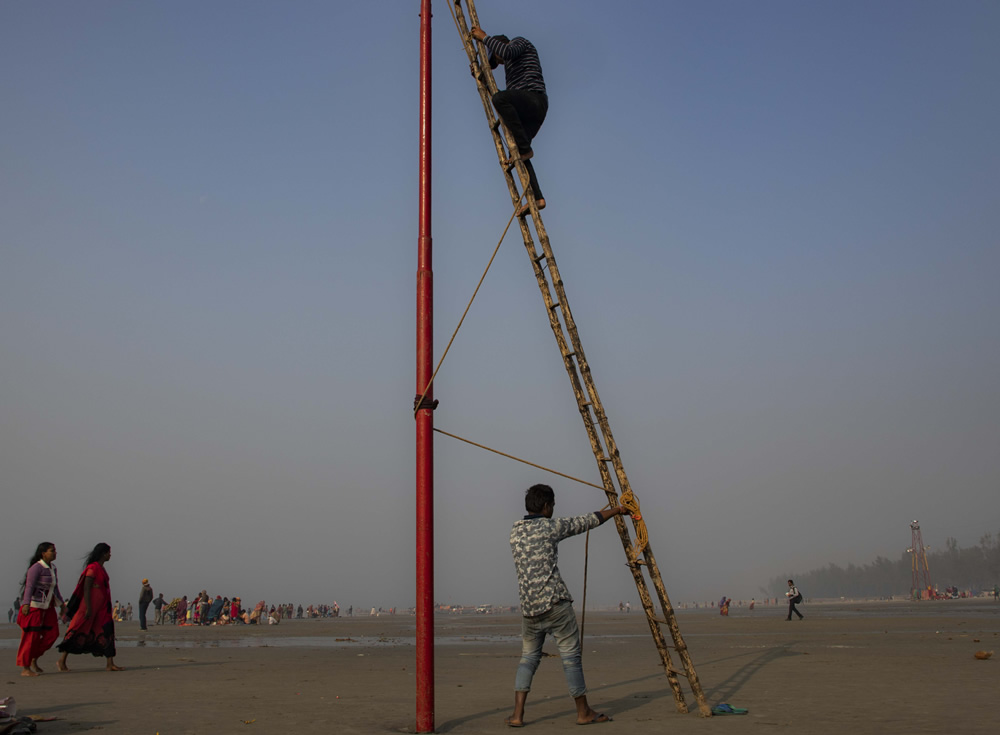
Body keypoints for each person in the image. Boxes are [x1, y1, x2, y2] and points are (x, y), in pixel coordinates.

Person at [506, 483, 628, 727]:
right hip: (555, 604)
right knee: (571, 658)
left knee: (528, 658)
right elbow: (586, 521)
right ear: (546, 506)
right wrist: (617, 510)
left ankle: (517, 715)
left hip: (530, 610)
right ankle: (583, 712)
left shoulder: (515, 531)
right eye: (552, 505)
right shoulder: (550, 527)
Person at [470, 25, 548, 218]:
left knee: (499, 99)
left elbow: (507, 51)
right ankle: (538, 198)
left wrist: (483, 37)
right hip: (527, 108)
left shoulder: (519, 42)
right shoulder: (511, 70)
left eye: (496, 58)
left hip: (535, 99)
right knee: (519, 153)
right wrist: (479, 74)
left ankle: (525, 149)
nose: (500, 62)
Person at [57, 543, 124, 671]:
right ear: (103, 554)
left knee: (108, 631)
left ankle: (110, 663)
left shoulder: (101, 568)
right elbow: (86, 588)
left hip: (103, 607)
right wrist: (88, 607)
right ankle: (62, 660)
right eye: (108, 552)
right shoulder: (92, 568)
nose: (110, 555)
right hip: (90, 606)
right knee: (78, 629)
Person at [17, 542, 66, 677]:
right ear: (43, 553)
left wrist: (62, 605)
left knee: (52, 634)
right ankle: (25, 667)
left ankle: (34, 658)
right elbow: (29, 586)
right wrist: (26, 604)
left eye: (55, 550)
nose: (55, 553)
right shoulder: (36, 568)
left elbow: (55, 589)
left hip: (48, 606)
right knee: (30, 637)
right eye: (52, 551)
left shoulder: (53, 568)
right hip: (34, 606)